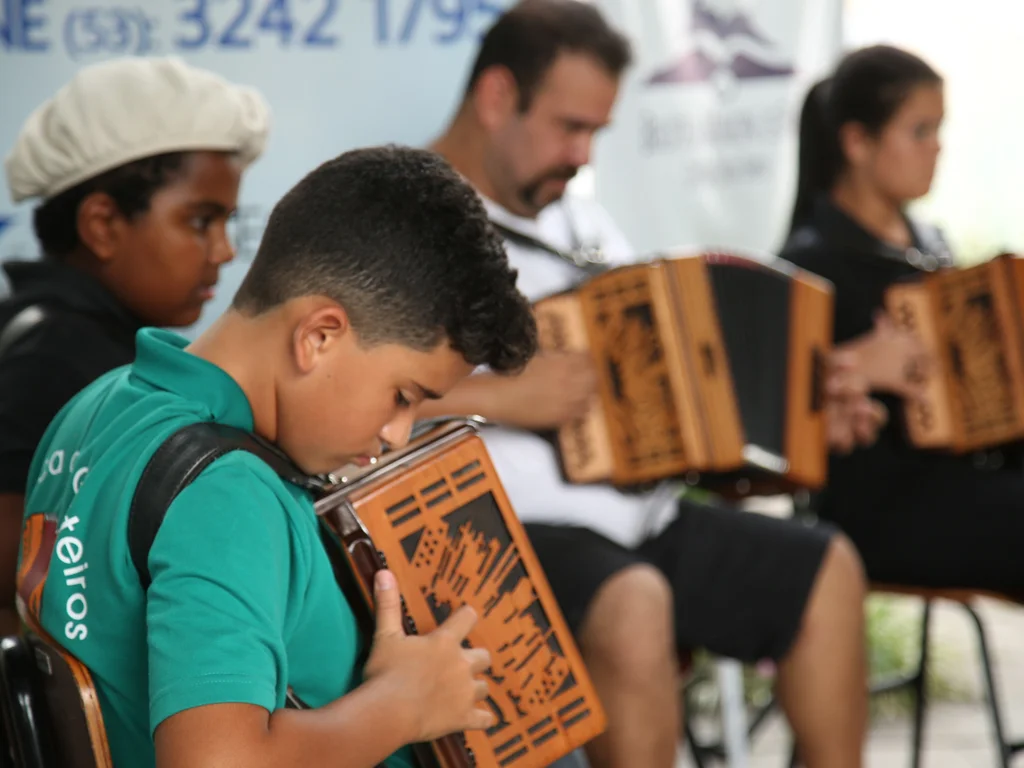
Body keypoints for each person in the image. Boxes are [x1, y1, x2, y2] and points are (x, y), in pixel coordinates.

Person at [422, 2, 883, 767]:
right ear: (498, 96)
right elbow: (330, 394)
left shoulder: (586, 223)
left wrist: (766, 434)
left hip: (637, 522)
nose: (582, 153)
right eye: (571, 127)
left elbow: (662, 399)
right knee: (636, 601)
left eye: (596, 133)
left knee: (824, 569)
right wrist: (501, 398)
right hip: (493, 534)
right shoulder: (406, 221)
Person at [17, 144, 538, 767]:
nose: (397, 433)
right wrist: (405, 705)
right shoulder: (230, 494)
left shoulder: (97, 405)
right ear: (319, 336)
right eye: (402, 396)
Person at [0, 56, 271, 635]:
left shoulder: (66, 333)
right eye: (201, 221)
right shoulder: (57, 357)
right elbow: (22, 582)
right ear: (102, 224)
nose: (224, 251)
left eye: (228, 222)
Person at [780, 44, 1024, 592]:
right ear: (857, 142)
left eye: (940, 130)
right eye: (920, 131)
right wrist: (857, 366)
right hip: (883, 510)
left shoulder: (930, 246)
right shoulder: (810, 266)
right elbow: (781, 417)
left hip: (970, 483)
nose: (937, 148)